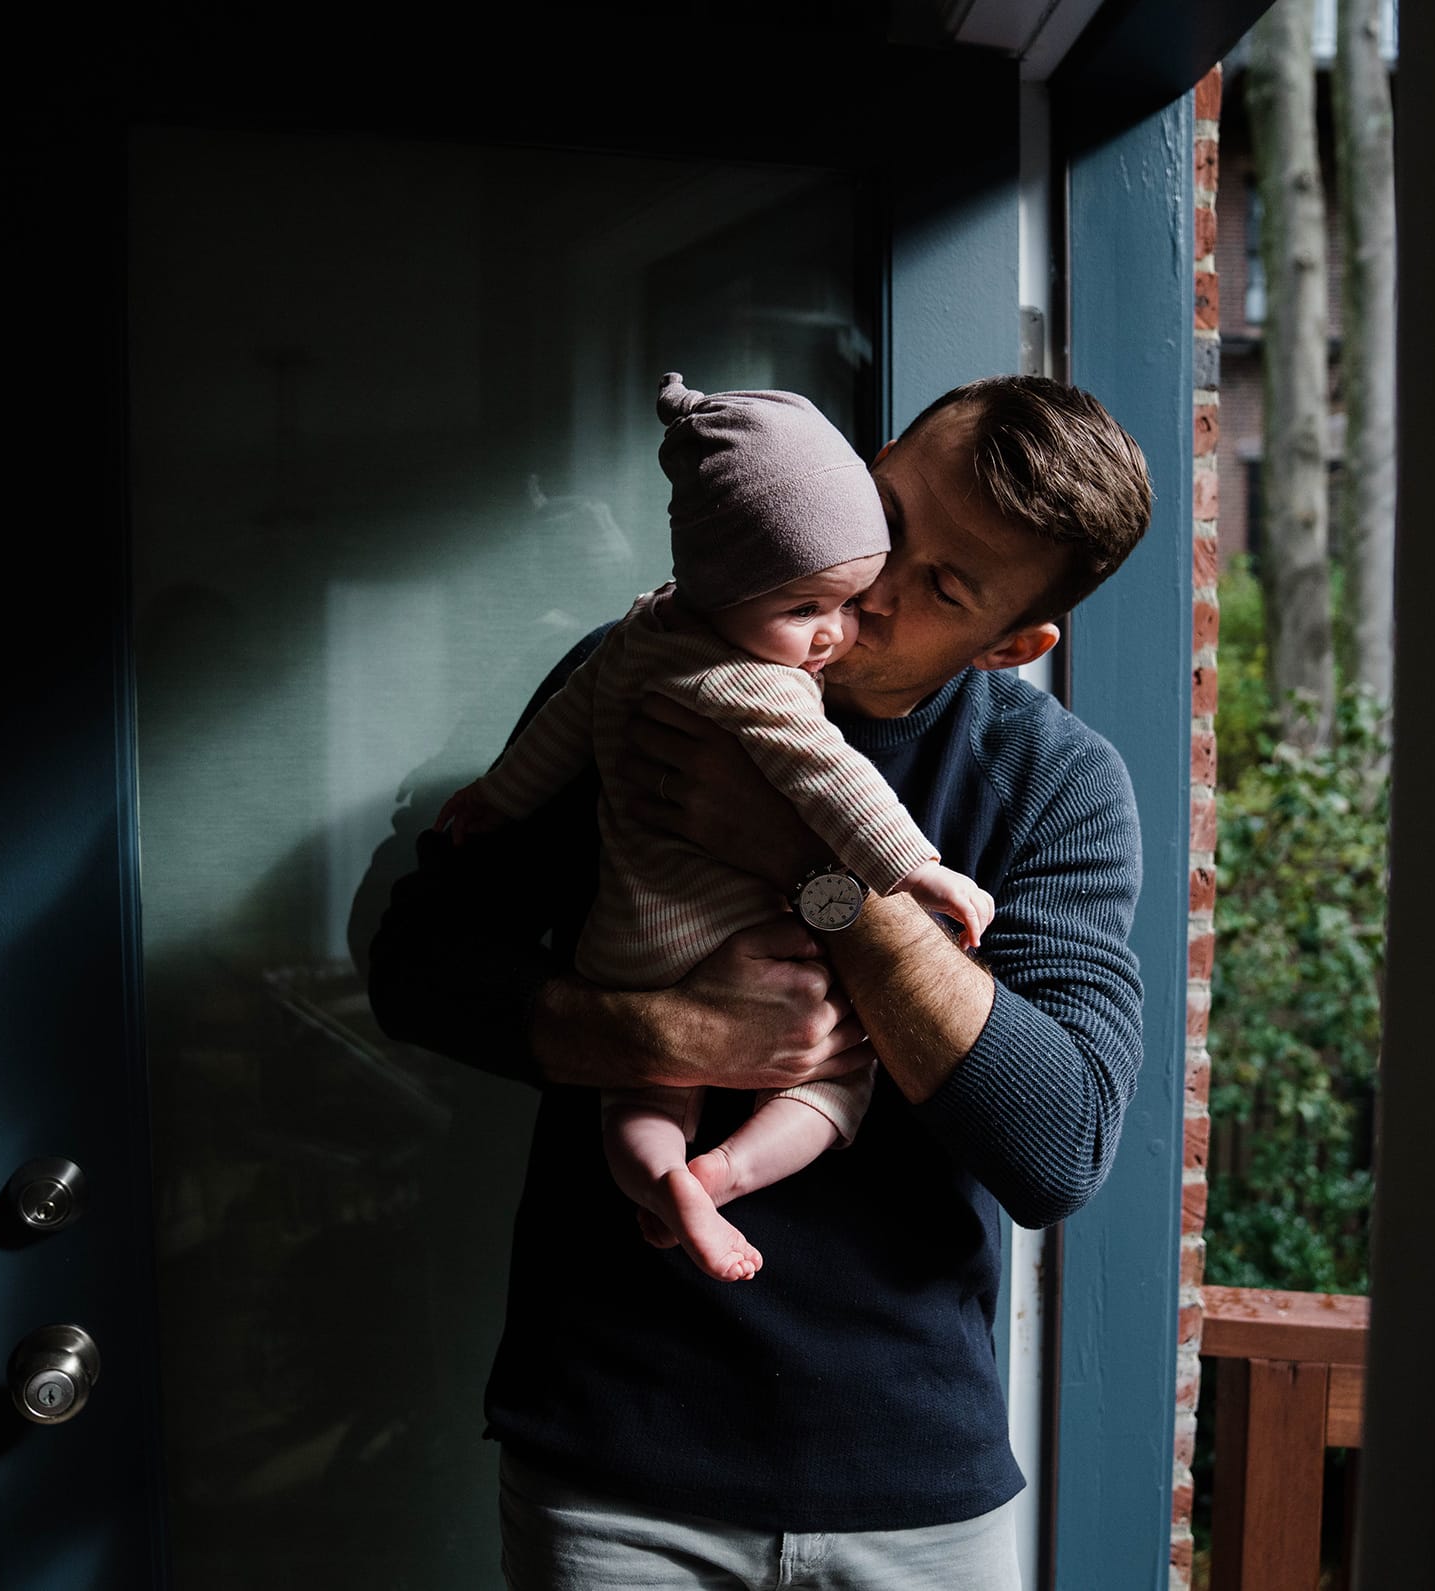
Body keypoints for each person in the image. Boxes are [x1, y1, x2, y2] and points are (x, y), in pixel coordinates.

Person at [368, 372, 1154, 1590]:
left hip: (912, 1484)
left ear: (1013, 643)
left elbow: (1056, 1143)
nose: (868, 587)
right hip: (612, 1460)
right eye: (884, 515)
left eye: (940, 586)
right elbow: (416, 967)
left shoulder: (1049, 782)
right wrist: (665, 1032)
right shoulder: (645, 673)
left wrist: (809, 868)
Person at [435, 374, 994, 1284]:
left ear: (1014, 640)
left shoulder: (636, 634)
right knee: (834, 1077)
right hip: (721, 937)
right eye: (808, 608)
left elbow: (564, 728)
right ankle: (722, 1174)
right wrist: (913, 871)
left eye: (848, 600)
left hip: (621, 943)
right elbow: (832, 774)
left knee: (635, 1104)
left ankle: (664, 1179)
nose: (841, 629)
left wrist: (498, 795)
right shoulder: (758, 682)